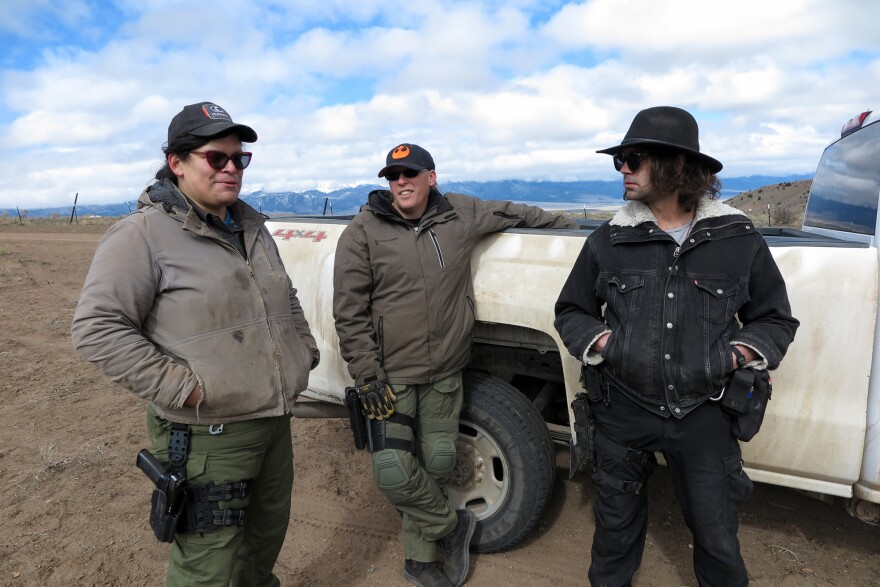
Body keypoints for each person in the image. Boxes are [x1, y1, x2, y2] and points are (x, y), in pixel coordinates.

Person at [71, 101, 319, 587]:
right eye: (216, 158)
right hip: (209, 436)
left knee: (263, 542)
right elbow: (97, 327)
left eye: (239, 159)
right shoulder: (142, 235)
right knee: (208, 566)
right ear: (177, 163)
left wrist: (302, 352)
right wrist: (188, 389)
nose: (231, 168)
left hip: (272, 423)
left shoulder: (251, 227)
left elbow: (284, 296)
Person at [554, 106, 799, 586]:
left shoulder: (736, 237)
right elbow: (572, 311)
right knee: (613, 535)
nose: (623, 168)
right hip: (622, 410)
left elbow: (775, 319)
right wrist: (608, 342)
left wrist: (733, 356)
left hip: (705, 414)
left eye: (634, 158)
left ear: (679, 166)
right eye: (620, 159)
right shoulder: (609, 240)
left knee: (717, 539)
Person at [332, 143, 577, 587]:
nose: (401, 182)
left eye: (410, 173)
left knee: (439, 463)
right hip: (392, 377)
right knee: (394, 474)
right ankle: (453, 526)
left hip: (445, 371)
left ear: (431, 176)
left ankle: (420, 561)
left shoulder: (460, 214)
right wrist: (367, 375)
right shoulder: (363, 232)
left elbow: (516, 213)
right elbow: (349, 312)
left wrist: (574, 232)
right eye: (393, 176)